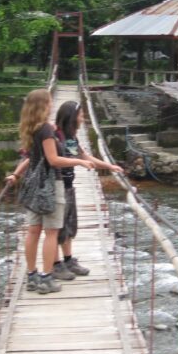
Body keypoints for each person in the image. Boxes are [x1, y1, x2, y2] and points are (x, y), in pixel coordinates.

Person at [6, 89, 94, 295]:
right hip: (50, 185)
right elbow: (54, 160)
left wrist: (16, 175)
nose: (51, 105)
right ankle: (47, 276)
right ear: (44, 105)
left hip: (33, 185)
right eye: (49, 102)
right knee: (52, 232)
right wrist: (80, 161)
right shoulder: (47, 130)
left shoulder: (32, 129)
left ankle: (32, 275)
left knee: (33, 230)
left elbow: (31, 158)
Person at [52, 100, 123, 279]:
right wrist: (79, 162)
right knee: (55, 228)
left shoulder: (69, 138)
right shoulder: (55, 136)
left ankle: (68, 260)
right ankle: (55, 264)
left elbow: (83, 155)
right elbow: (58, 160)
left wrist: (109, 166)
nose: (83, 118)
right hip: (55, 187)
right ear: (72, 117)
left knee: (69, 224)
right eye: (81, 115)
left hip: (68, 186)